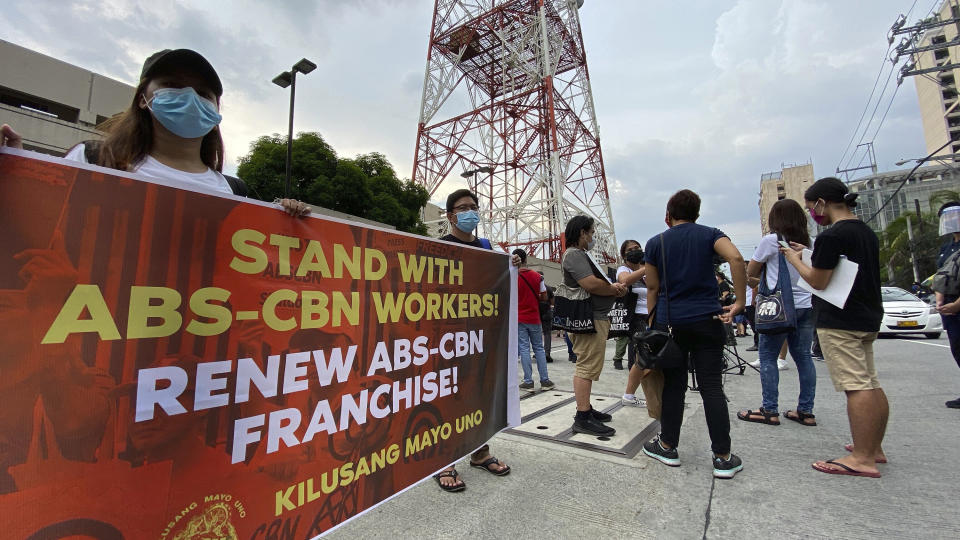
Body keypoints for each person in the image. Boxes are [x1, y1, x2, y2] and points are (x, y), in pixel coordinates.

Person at [1, 49, 307, 217]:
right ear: (143, 98)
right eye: (172, 85)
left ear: (215, 112)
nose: (189, 97)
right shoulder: (93, 160)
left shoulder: (235, 191)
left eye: (203, 92)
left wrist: (292, 222)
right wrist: (18, 176)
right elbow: (35, 228)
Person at [782, 177, 887, 478]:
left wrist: (795, 259)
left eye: (810, 207)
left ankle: (863, 458)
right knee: (870, 381)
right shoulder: (864, 232)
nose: (812, 213)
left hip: (841, 320)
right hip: (867, 315)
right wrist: (810, 253)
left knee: (855, 386)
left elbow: (818, 280)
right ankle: (873, 447)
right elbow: (842, 268)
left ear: (821, 203)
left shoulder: (832, 236)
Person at [641, 189, 746, 479]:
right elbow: (736, 259)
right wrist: (740, 301)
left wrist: (653, 324)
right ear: (697, 213)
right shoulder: (711, 234)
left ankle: (667, 445)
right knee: (712, 387)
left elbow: (652, 288)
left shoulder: (655, 242)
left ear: (668, 214)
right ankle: (723, 457)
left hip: (670, 324)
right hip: (708, 320)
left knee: (674, 387)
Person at [433, 188, 515, 491]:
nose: (470, 212)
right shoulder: (439, 247)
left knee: (479, 395)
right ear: (451, 215)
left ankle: (480, 453)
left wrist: (512, 264)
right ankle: (445, 462)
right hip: (450, 337)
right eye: (463, 208)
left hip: (480, 337)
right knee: (450, 399)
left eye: (474, 207)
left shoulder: (486, 246)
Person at [738, 199, 817, 427]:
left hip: (779, 306)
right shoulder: (810, 243)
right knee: (803, 357)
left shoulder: (771, 241)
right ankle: (806, 410)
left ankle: (769, 408)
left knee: (768, 357)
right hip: (805, 305)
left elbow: (751, 272)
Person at [561, 215, 628, 436]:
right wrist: (614, 289)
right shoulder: (574, 255)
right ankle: (582, 417)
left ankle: (586, 409)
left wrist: (613, 289)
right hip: (589, 319)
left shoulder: (580, 254)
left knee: (589, 366)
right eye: (590, 232)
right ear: (582, 233)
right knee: (586, 367)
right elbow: (590, 283)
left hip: (595, 317)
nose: (592, 237)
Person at [615, 239, 650, 406]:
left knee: (649, 356)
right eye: (630, 249)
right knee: (641, 357)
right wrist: (646, 269)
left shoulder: (648, 269)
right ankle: (629, 395)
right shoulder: (624, 269)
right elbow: (625, 281)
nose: (635, 250)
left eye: (637, 248)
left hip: (651, 315)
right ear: (624, 255)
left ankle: (640, 394)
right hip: (636, 317)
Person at [513, 249, 554, 390]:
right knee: (539, 349)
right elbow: (544, 297)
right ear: (526, 260)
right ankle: (545, 380)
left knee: (524, 349)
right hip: (534, 318)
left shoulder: (511, 276)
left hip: (519, 318)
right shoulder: (537, 276)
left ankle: (528, 381)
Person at [933, 201, 960, 408]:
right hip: (949, 305)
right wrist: (940, 298)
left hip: (957, 303)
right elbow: (941, 275)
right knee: (957, 348)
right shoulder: (947, 247)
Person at [540, 273, 555, 363]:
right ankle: (547, 353)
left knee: (537, 333)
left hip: (537, 313)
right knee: (547, 333)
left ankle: (538, 352)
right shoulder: (548, 288)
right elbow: (553, 302)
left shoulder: (534, 288)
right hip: (546, 312)